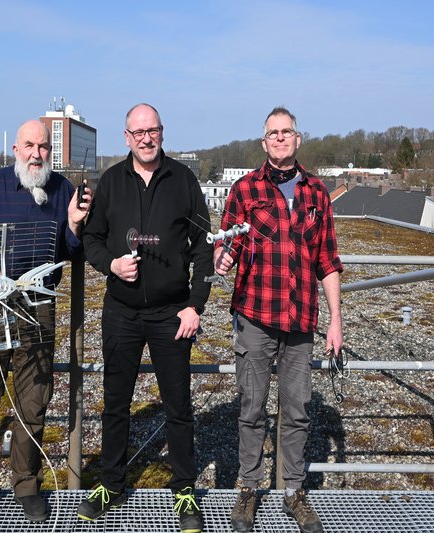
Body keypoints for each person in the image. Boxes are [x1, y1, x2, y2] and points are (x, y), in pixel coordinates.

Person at [78, 103, 213, 533]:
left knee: (178, 405)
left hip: (172, 314)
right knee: (116, 403)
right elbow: (91, 239)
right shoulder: (112, 182)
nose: (146, 138)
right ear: (126, 137)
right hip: (121, 312)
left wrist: (195, 304)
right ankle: (111, 484)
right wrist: (111, 265)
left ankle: (184, 489)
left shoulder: (184, 180)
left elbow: (204, 247)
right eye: (138, 133)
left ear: (162, 132)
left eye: (152, 131)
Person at [0, 119, 91, 526]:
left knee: (33, 401)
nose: (37, 154)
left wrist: (73, 224)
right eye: (29, 145)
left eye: (44, 147)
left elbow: (73, 251)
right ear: (15, 149)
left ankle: (26, 483)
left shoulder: (63, 190)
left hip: (38, 307)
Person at [213, 106, 343, 533]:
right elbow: (223, 249)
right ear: (264, 142)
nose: (281, 139)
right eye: (273, 133)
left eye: (287, 132)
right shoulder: (244, 190)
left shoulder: (317, 193)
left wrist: (336, 322)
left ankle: (293, 491)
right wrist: (223, 259)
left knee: (299, 409)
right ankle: (248, 489)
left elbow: (327, 261)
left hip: (302, 321)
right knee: (251, 408)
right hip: (254, 317)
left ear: (298, 139)